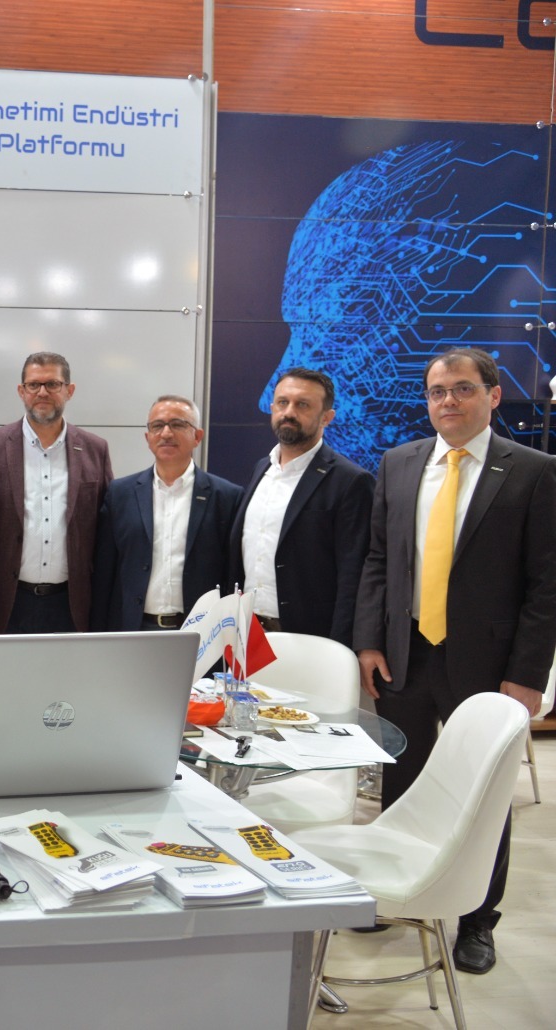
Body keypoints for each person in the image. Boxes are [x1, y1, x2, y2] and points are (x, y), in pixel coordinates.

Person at [354, 347, 556, 975]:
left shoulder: (533, 472)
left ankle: (477, 918)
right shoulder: (399, 463)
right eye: (438, 391)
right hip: (406, 656)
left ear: (493, 396)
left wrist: (527, 675)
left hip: (490, 667)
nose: (449, 401)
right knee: (401, 780)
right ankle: (396, 891)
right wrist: (369, 641)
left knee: (482, 794)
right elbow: (379, 561)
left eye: (464, 389)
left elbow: (546, 585)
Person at [230, 368, 374, 645]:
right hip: (246, 635)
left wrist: (341, 648)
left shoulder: (351, 481)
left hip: (309, 641)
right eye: (282, 402)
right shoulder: (262, 469)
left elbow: (353, 577)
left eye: (303, 405)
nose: (289, 412)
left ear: (327, 417)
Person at [0, 352, 112, 633]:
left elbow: (107, 532)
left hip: (71, 605)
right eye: (34, 385)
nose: (42, 392)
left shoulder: (95, 450)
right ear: (21, 391)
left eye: (53, 384)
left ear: (69, 390)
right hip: (6, 603)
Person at [91, 397, 242, 631]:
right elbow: (105, 571)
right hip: (133, 629)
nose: (166, 433)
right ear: (147, 438)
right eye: (157, 426)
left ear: (197, 436)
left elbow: (232, 574)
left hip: (201, 632)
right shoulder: (120, 494)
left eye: (178, 424)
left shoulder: (227, 497)